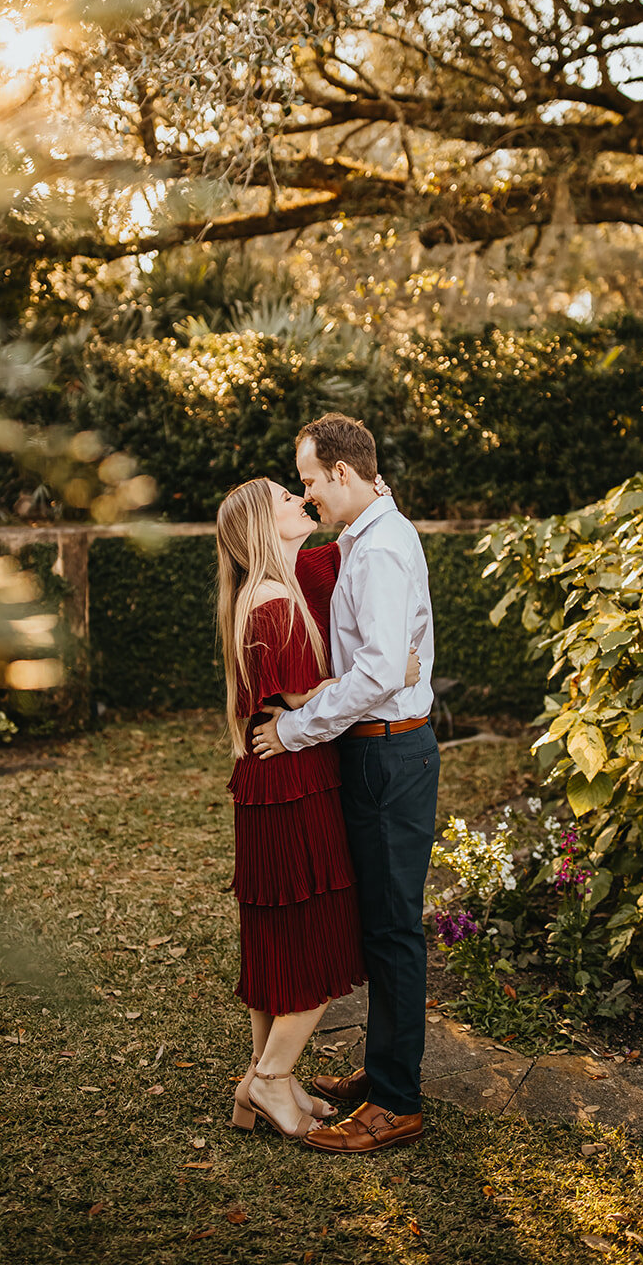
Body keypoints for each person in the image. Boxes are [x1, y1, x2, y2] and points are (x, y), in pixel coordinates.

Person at [254, 413, 438, 1154]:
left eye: (308, 480)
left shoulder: (381, 550)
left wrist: (294, 730)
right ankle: (381, 1074)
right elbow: (377, 661)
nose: (307, 495)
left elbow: (374, 673)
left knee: (393, 932)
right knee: (377, 926)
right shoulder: (361, 541)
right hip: (372, 750)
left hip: (390, 756)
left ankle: (397, 1101)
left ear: (340, 472)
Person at [215, 475, 419, 1140]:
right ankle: (267, 1080)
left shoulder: (264, 588)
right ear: (259, 527)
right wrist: (396, 671)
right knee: (318, 943)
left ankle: (261, 1083)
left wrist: (367, 497)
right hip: (296, 781)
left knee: (276, 942)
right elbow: (308, 695)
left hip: (267, 785)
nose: (298, 500)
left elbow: (346, 554)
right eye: (284, 497)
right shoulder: (275, 602)